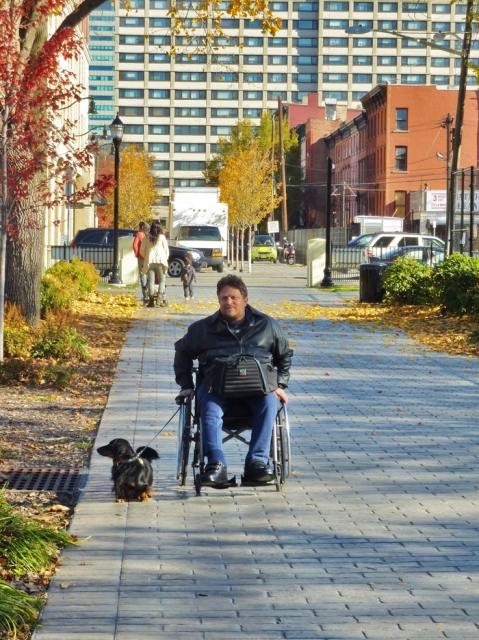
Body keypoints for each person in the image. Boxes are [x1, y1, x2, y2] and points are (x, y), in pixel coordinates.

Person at [174, 274, 293, 486]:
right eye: (224, 298)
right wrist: (186, 386)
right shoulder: (203, 329)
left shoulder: (267, 325)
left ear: (245, 300)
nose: (228, 302)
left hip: (257, 390)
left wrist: (280, 384)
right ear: (218, 300)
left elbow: (284, 356)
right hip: (216, 390)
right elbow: (182, 352)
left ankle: (257, 462)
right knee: (209, 409)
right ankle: (215, 465)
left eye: (233, 297)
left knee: (269, 403)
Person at [140, 220, 169, 308]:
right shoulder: (162, 237)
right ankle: (159, 300)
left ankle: (151, 300)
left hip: (150, 261)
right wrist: (165, 258)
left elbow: (141, 250)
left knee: (151, 282)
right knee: (162, 280)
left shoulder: (147, 237)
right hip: (161, 261)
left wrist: (146, 256)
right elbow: (166, 250)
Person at [133, 221, 150, 303]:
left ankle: (145, 296)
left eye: (139, 227)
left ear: (141, 228)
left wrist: (137, 254)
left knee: (142, 275)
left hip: (141, 258)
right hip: (149, 258)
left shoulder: (139, 234)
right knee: (149, 275)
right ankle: (151, 293)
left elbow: (134, 245)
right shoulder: (148, 235)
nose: (138, 229)